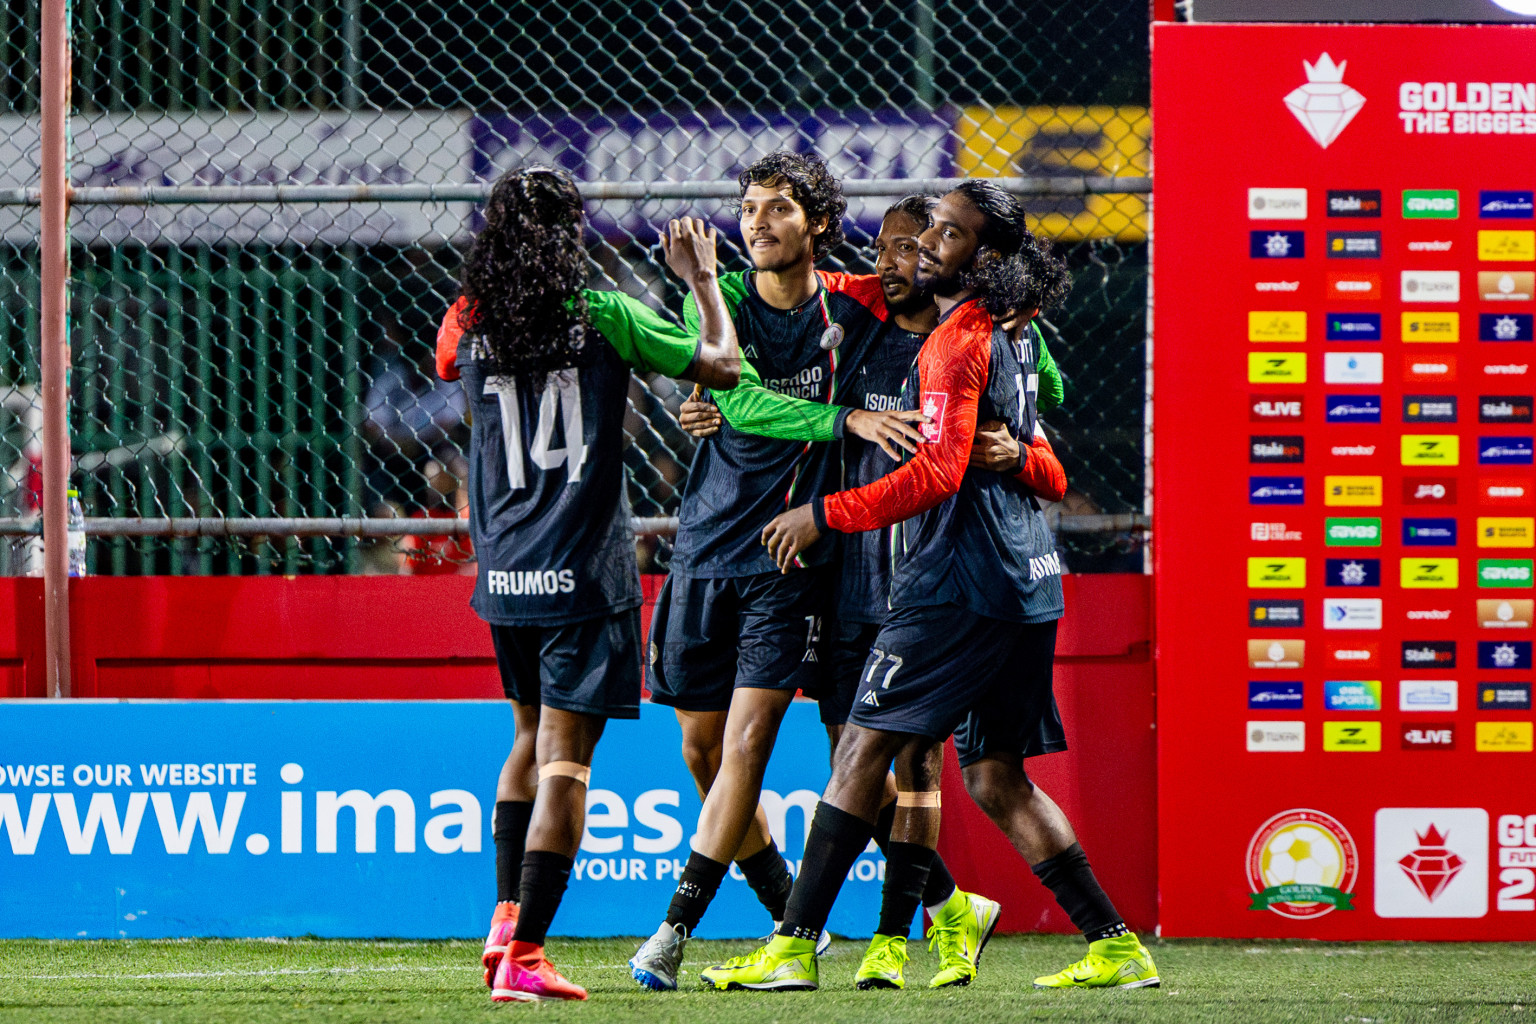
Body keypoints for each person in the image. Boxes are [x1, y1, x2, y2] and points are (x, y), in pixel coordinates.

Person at [699, 181, 1158, 993]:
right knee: (996, 778)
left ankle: (794, 944)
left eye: (947, 233)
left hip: (958, 584)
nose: (926, 243)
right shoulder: (1014, 335)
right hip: (1031, 585)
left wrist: (824, 515)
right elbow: (1050, 472)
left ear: (981, 257)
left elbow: (938, 472)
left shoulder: (958, 342)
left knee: (860, 751)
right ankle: (1114, 943)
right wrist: (1016, 457)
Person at [436, 166, 743, 1002]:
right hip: (581, 569)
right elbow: (721, 365)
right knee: (566, 764)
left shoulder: (470, 319)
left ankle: (506, 917)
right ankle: (527, 954)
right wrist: (705, 285)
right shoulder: (602, 313)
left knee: (526, 742)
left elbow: (443, 358)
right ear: (572, 235)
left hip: (504, 570)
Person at [629, 152, 928, 990]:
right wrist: (851, 420)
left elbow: (946, 298)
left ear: (819, 224)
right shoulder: (721, 314)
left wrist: (1024, 338)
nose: (757, 222)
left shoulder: (856, 304)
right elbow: (741, 400)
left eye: (778, 209)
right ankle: (814, 907)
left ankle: (672, 932)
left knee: (748, 742)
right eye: (749, 207)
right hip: (702, 550)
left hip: (788, 560)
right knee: (700, 750)